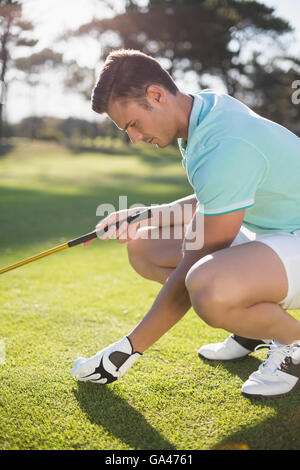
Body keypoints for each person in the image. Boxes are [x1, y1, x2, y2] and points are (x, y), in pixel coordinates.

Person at [71, 49, 300, 398]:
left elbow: (199, 253)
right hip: (274, 231)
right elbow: (218, 198)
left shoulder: (225, 141)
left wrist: (128, 349)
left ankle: (293, 343)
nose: (133, 138)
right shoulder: (201, 111)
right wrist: (144, 215)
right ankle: (253, 326)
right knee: (144, 247)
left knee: (209, 286)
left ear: (156, 95)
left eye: (132, 124)